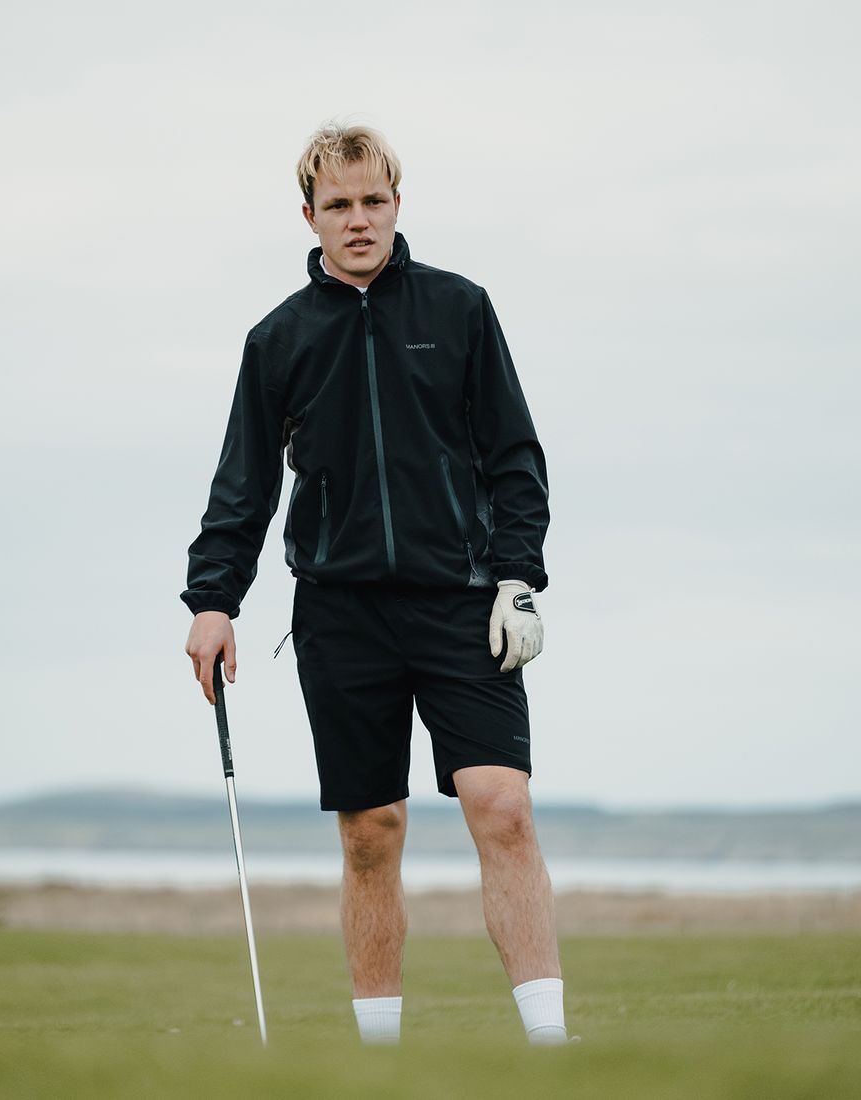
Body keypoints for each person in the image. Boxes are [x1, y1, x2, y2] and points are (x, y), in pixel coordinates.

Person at [182, 123, 572, 1045]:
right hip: (340, 612)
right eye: (339, 205)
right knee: (371, 832)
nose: (358, 220)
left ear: (397, 204)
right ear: (310, 216)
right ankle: (378, 1061)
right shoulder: (279, 338)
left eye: (374, 201)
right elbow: (244, 485)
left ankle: (552, 1049)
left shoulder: (460, 308)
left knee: (503, 808)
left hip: (462, 603)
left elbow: (515, 458)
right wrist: (213, 601)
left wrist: (518, 578)